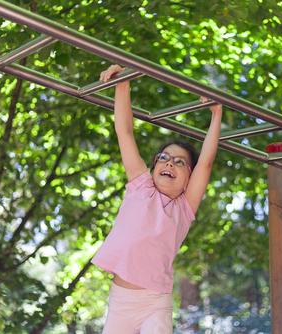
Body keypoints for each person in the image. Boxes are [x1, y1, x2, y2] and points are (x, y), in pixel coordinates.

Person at [92, 64, 223, 334]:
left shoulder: (183, 208)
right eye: (163, 158)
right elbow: (124, 132)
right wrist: (122, 83)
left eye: (179, 162)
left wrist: (216, 113)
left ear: (189, 180)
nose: (170, 163)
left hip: (155, 302)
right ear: (153, 167)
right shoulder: (141, 186)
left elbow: (206, 163)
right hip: (121, 301)